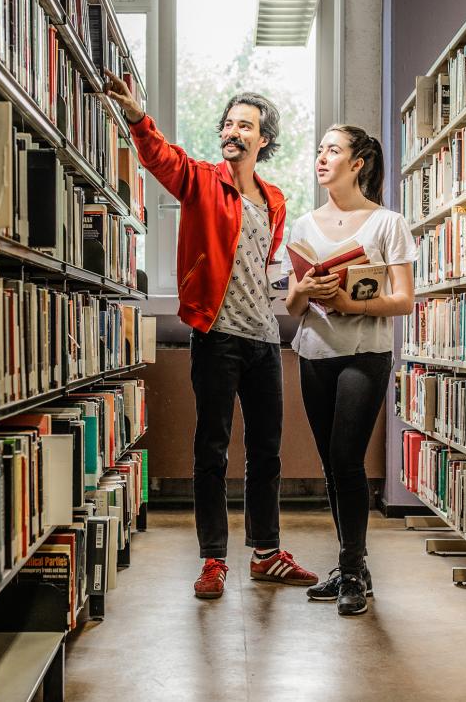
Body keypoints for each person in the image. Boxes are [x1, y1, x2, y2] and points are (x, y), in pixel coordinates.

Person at [101, 70, 319, 600]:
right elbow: (159, 158)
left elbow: (263, 266)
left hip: (265, 339)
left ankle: (267, 553)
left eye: (245, 125)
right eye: (227, 123)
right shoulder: (200, 179)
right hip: (216, 337)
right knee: (211, 451)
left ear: (263, 138)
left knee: (267, 452)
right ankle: (213, 559)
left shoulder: (274, 198)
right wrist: (136, 114)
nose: (232, 130)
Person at [285, 124, 417, 616]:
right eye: (319, 149)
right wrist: (307, 292)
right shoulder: (302, 225)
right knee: (331, 467)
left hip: (365, 356)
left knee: (346, 460)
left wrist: (349, 303)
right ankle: (349, 566)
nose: (322, 158)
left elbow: (403, 301)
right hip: (314, 354)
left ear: (357, 163)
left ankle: (353, 568)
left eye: (333, 150)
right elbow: (292, 307)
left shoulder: (387, 224)